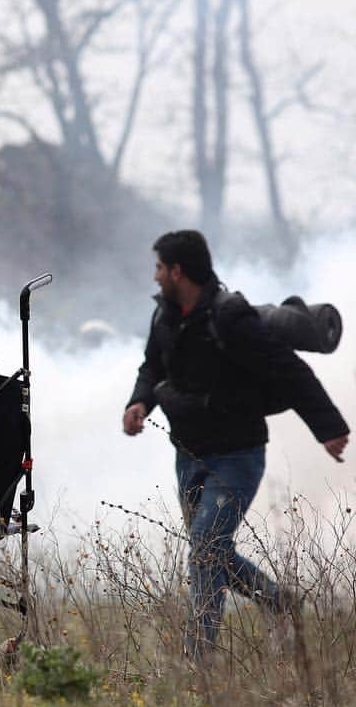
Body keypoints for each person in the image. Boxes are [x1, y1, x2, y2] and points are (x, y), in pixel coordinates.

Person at [122, 230, 349, 659]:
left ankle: (198, 662)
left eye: (158, 268)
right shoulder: (164, 317)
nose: (154, 277)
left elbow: (287, 370)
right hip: (188, 454)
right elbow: (153, 366)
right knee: (212, 550)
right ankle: (279, 601)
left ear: (177, 270)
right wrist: (139, 401)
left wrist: (328, 428)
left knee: (206, 551)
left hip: (237, 456)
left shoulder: (230, 317)